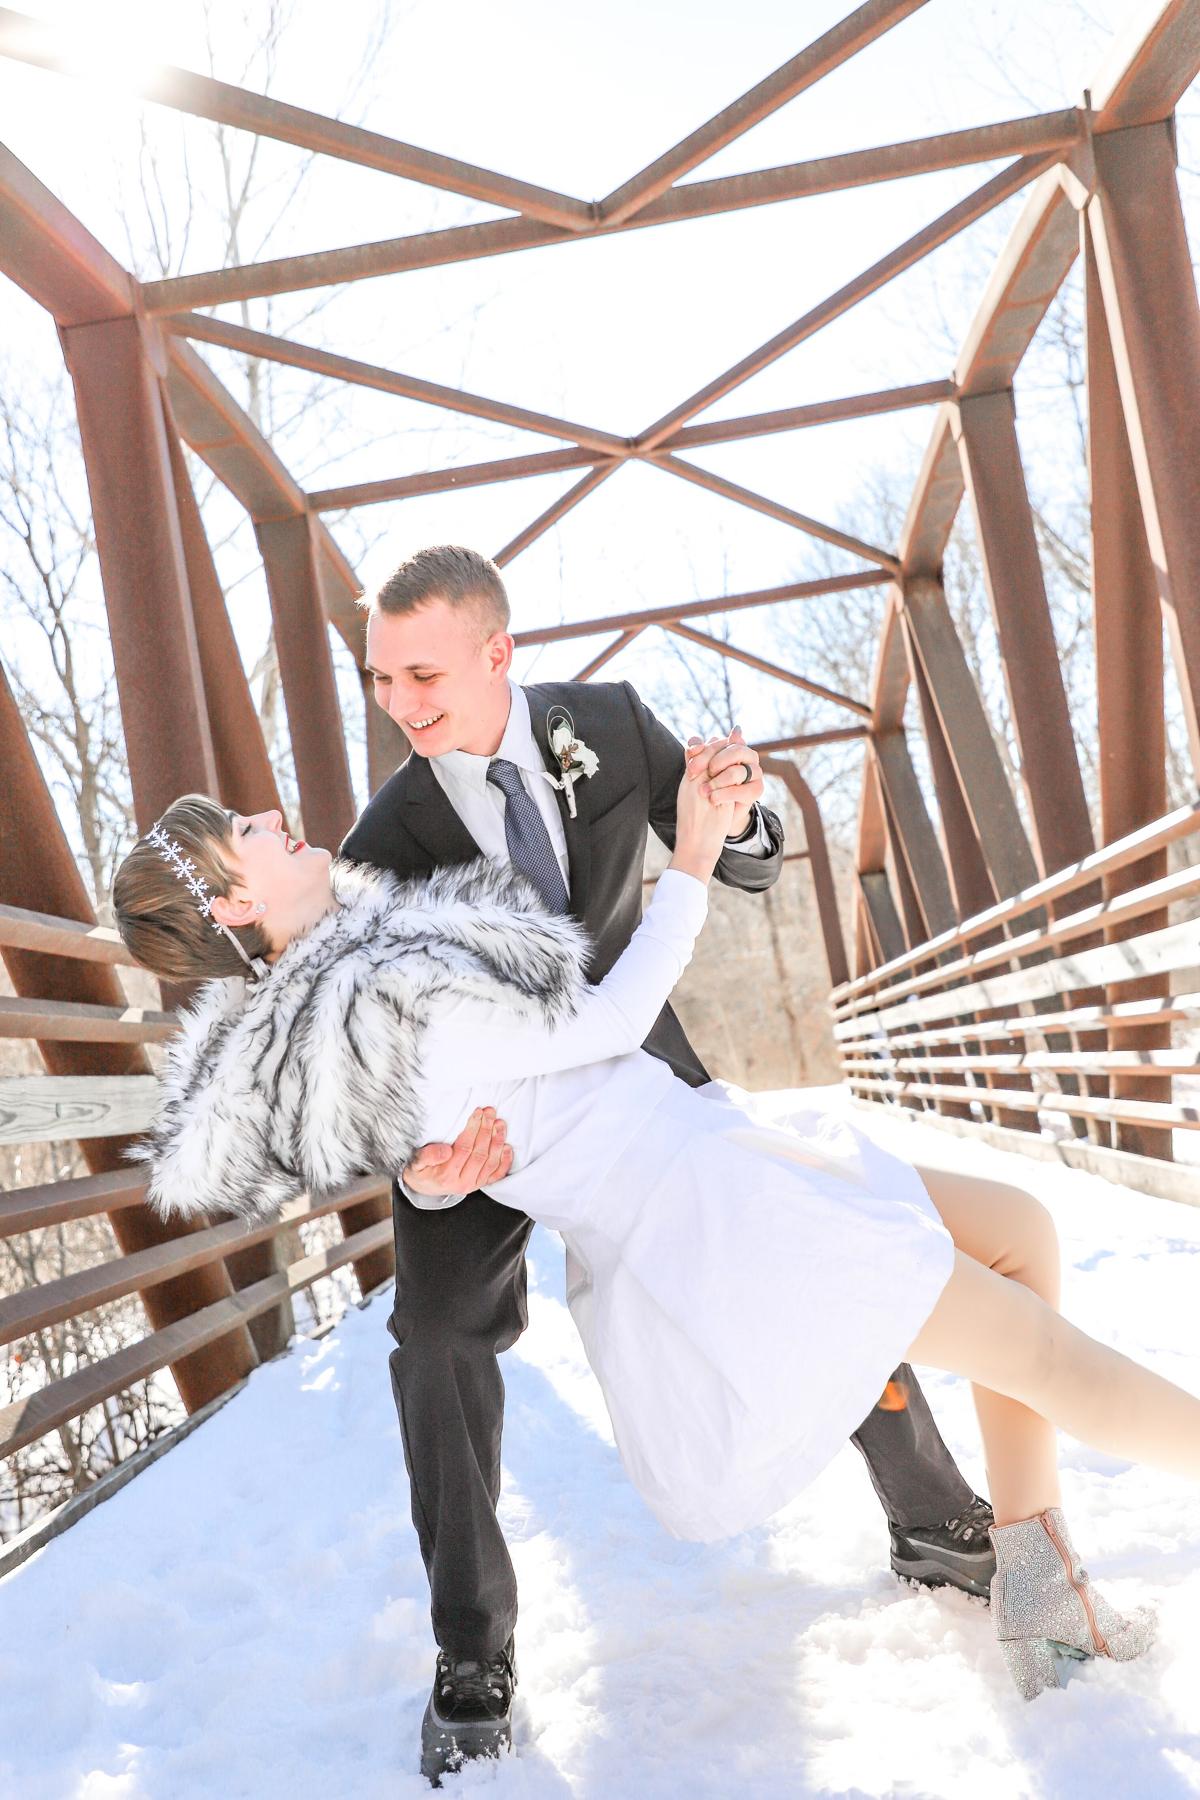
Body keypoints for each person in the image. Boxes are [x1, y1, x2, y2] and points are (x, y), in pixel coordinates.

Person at [114, 770, 1197, 1776]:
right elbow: (608, 1025)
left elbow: (467, 1133)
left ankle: (1045, 1603)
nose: (268, 818)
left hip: (708, 1166)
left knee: (1021, 1231)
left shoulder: (367, 969)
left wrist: (440, 1181)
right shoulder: (377, 991)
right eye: (242, 835)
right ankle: (1052, 1613)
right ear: (235, 907)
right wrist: (689, 860)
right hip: (714, 1217)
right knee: (1041, 1351)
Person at [339, 548, 993, 1758]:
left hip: (638, 1071)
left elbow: (734, 855)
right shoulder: (383, 840)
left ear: (499, 654)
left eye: (421, 672)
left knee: (798, 1248)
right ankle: (473, 1653)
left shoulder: (609, 724)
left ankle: (936, 1516)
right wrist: (432, 1164)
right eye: (380, 679)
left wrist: (738, 809)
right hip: (491, 1124)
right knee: (432, 1342)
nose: (400, 703)